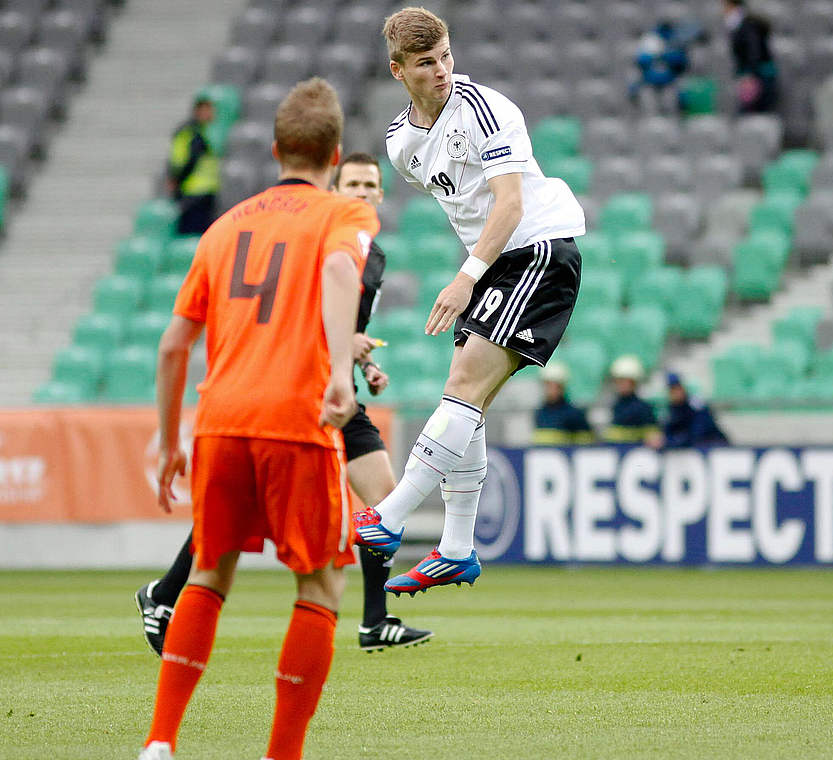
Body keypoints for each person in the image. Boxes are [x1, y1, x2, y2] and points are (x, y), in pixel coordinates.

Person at [139, 78, 378, 760]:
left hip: (219, 421)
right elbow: (339, 272)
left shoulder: (224, 226)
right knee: (322, 584)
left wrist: (166, 441)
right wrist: (338, 371)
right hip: (293, 420)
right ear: (334, 157)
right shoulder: (342, 216)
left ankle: (160, 740)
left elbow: (172, 345)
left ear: (276, 150)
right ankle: (282, 755)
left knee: (210, 573)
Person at [134, 152, 432, 659]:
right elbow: (301, 314)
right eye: (352, 183)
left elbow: (346, 327)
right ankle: (164, 595)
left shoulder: (370, 255)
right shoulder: (319, 238)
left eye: (369, 184)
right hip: (296, 394)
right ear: (335, 187)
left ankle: (374, 621)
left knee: (385, 500)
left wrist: (363, 363)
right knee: (238, 513)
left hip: (336, 393)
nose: (361, 192)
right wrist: (345, 348)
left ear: (381, 194)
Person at [352, 7, 586, 596]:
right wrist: (476, 273)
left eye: (446, 56)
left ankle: (391, 516)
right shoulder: (400, 144)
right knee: (467, 402)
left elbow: (508, 205)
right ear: (398, 70)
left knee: (462, 386)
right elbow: (467, 209)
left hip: (537, 248)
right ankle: (456, 549)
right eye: (426, 63)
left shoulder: (486, 109)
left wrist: (465, 278)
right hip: (494, 263)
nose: (442, 71)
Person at [165, 95, 220, 235]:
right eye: (207, 110)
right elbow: (186, 161)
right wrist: (177, 181)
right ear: (198, 111)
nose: (211, 114)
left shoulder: (202, 131)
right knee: (193, 233)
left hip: (202, 190)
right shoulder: (193, 133)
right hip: (194, 192)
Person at [630, 19, 707, 112]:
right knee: (642, 91)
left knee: (679, 89)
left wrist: (665, 55)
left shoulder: (675, 41)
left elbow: (680, 61)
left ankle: (681, 110)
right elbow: (642, 60)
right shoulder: (650, 40)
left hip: (670, 79)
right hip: (650, 79)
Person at [722, 0, 779, 113]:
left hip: (759, 77)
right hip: (755, 75)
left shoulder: (748, 26)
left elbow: (754, 51)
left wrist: (749, 74)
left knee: (754, 112)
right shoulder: (741, 25)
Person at [531, 362, 595, 445]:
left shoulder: (574, 414)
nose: (551, 389)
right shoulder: (539, 412)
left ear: (562, 386)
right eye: (548, 385)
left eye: (555, 385)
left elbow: (586, 444)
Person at [603, 354, 661, 445]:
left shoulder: (643, 409)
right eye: (618, 380)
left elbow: (654, 438)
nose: (620, 384)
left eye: (624, 380)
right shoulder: (614, 406)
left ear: (634, 382)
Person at [662, 372, 728, 448]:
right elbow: (668, 428)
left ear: (682, 388)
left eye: (677, 388)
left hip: (711, 442)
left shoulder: (695, 404)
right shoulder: (672, 407)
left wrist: (678, 440)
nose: (675, 393)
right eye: (672, 390)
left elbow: (700, 429)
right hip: (691, 444)